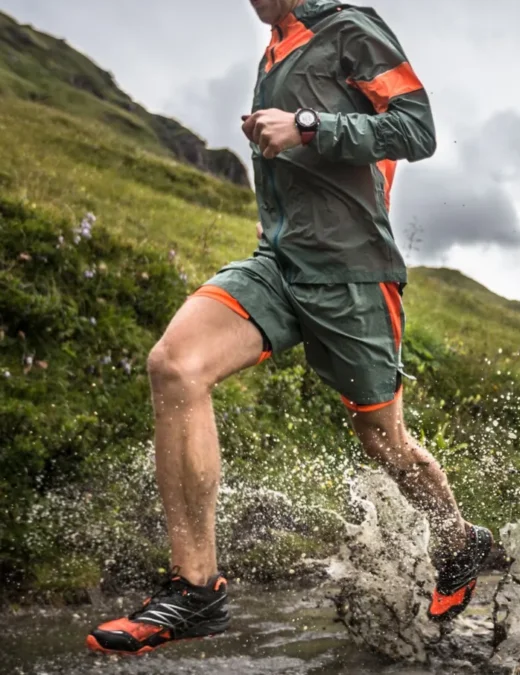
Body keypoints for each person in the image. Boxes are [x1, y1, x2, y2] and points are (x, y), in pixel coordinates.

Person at [87, 0, 491, 655]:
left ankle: (458, 540)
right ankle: (197, 590)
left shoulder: (348, 27)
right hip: (280, 261)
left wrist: (305, 125)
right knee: (176, 365)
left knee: (383, 441)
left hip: (354, 272)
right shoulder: (272, 50)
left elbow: (417, 129)